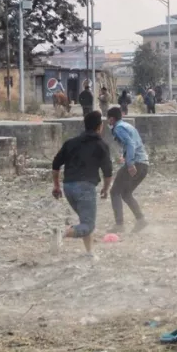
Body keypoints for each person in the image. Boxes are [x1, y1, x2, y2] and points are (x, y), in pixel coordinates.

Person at [52, 111, 113, 258]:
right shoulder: (101, 145)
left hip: (68, 188)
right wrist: (105, 188)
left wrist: (56, 186)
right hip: (85, 188)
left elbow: (55, 164)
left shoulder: (71, 142)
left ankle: (90, 253)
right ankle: (63, 231)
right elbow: (108, 172)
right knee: (88, 225)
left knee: (85, 220)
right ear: (100, 127)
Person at [106, 107, 149, 232]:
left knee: (114, 192)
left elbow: (130, 144)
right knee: (125, 193)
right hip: (144, 164)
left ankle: (119, 225)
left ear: (112, 119)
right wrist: (125, 157)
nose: (108, 122)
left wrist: (129, 163)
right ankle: (141, 220)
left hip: (136, 163)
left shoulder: (118, 128)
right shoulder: (127, 126)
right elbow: (133, 144)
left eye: (108, 119)